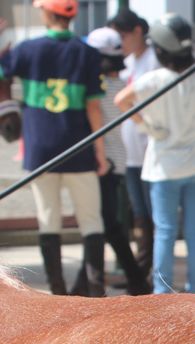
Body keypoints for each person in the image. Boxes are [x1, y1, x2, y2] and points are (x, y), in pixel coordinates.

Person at [114, 13, 195, 294]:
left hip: (163, 168)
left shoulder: (154, 80)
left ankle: (163, 292)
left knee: (164, 230)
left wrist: (147, 124)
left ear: (160, 50)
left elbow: (121, 100)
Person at [0, 0, 109, 297]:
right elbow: (93, 106)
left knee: (48, 219)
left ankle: (57, 291)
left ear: (47, 13)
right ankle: (96, 289)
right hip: (79, 149)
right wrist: (100, 151)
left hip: (41, 151)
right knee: (92, 220)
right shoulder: (87, 52)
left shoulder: (29, 49)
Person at [82, 26, 149, 296]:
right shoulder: (120, 84)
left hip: (105, 163)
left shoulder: (100, 88)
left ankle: (137, 280)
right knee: (103, 222)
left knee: (107, 224)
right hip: (117, 162)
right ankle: (90, 281)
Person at [109, 6, 158, 282]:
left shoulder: (154, 59)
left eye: (122, 37)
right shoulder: (126, 62)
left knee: (152, 215)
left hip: (150, 149)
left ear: (138, 32)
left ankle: (151, 272)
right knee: (138, 213)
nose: (120, 45)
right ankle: (141, 273)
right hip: (130, 153)